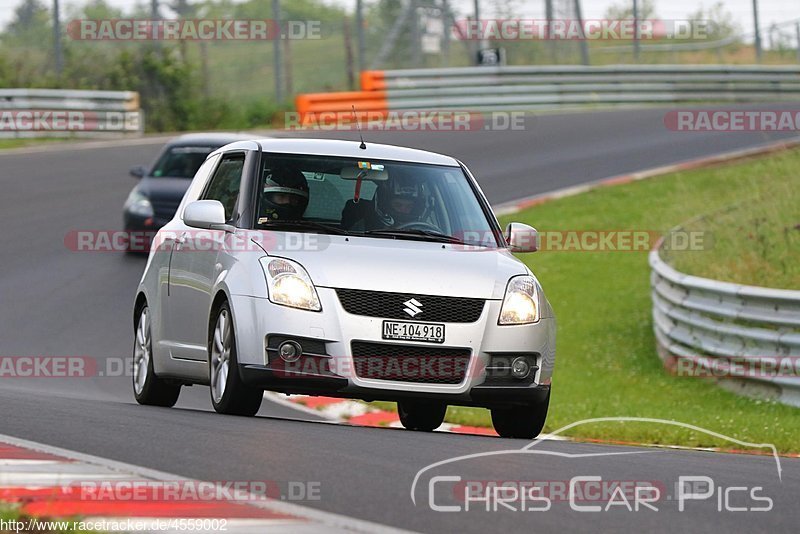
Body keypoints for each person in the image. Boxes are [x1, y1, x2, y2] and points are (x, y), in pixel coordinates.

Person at [341, 170, 430, 230]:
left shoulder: (423, 230)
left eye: (409, 206)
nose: (403, 211)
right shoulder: (362, 228)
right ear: (384, 205)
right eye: (398, 205)